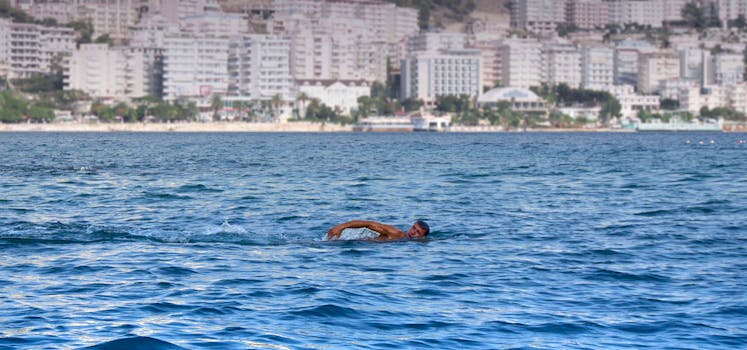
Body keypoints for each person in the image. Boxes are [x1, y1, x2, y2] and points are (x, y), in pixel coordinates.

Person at [326, 219, 430, 241]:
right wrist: (341, 227)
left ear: (422, 237)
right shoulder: (397, 233)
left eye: (418, 232)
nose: (413, 232)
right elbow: (369, 224)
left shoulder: (407, 239)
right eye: (413, 228)